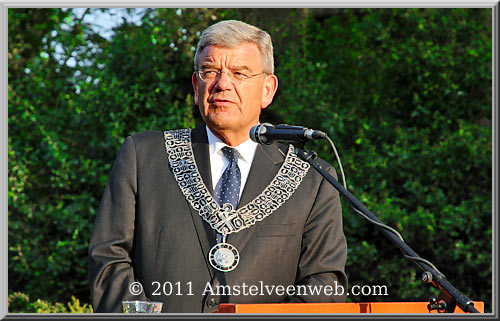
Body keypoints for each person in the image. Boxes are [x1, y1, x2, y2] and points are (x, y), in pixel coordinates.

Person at [88, 19, 347, 313]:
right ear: (197, 87)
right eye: (210, 71)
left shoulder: (312, 179)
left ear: (267, 89)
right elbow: (108, 257)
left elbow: (323, 284)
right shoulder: (144, 157)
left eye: (239, 73)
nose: (223, 84)